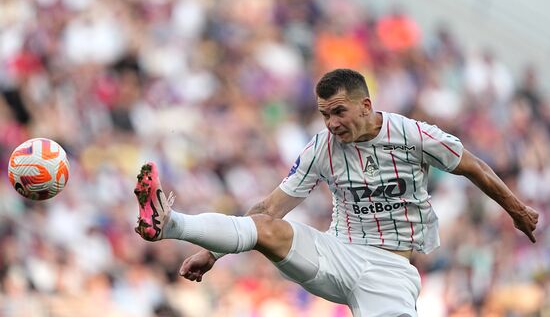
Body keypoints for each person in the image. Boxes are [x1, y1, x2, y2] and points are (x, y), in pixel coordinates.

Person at [133, 68, 539, 317]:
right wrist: (211, 252)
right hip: (338, 254)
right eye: (324, 114)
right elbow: (269, 207)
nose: (331, 123)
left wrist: (517, 210)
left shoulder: (414, 135)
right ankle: (169, 223)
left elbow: (474, 167)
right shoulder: (320, 149)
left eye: (339, 112)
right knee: (267, 227)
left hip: (390, 270)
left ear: (365, 105)